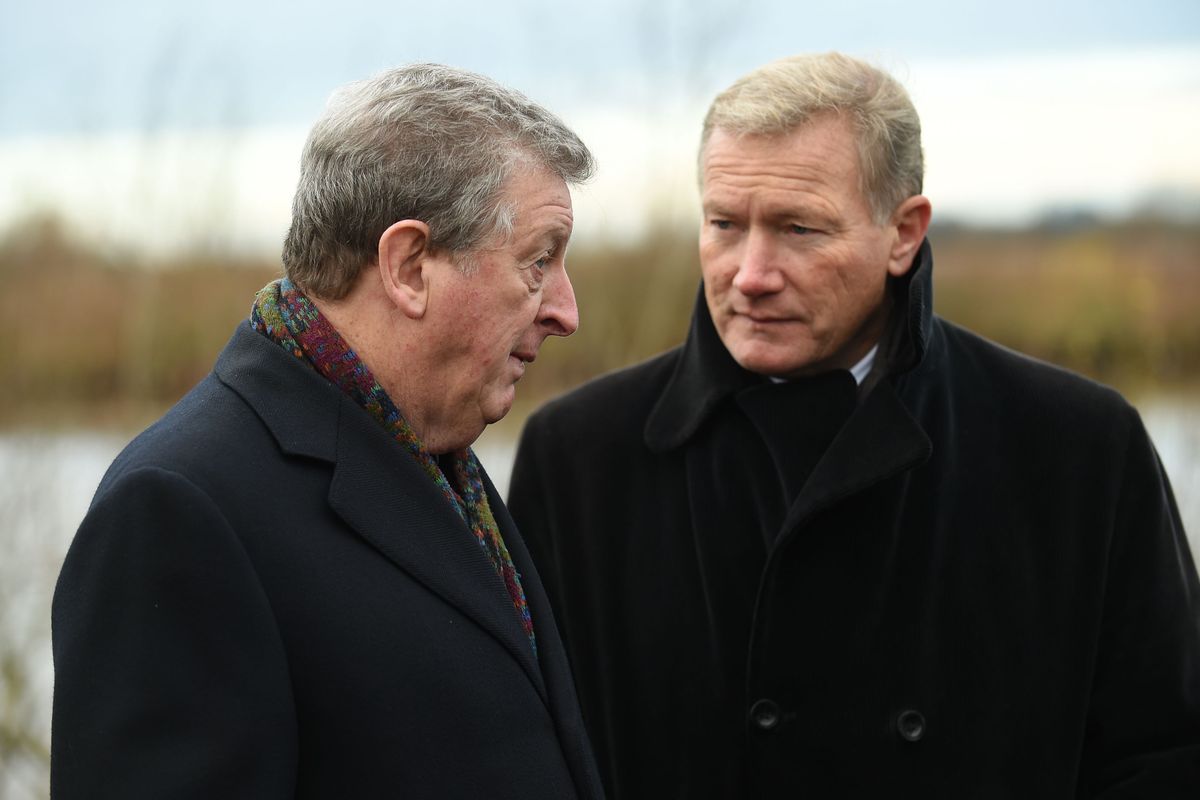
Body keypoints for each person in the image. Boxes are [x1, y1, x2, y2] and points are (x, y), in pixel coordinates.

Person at [508, 52, 1200, 797]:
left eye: (799, 229)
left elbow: (1163, 754)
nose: (750, 272)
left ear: (903, 234)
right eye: (724, 223)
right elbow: (526, 754)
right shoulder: (579, 458)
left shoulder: (1078, 449)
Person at [52, 64, 604, 799]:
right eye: (538, 262)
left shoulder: (435, 454)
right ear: (408, 266)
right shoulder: (178, 509)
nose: (566, 310)